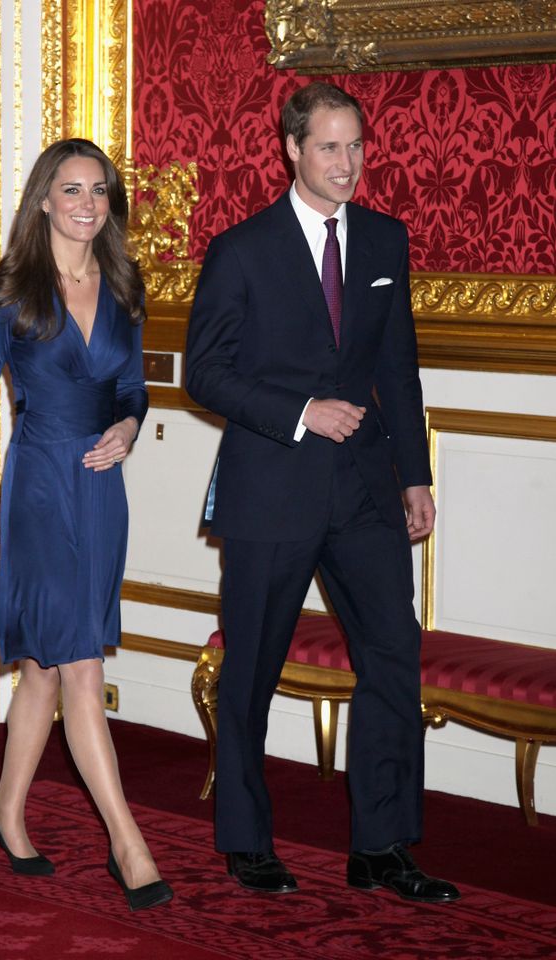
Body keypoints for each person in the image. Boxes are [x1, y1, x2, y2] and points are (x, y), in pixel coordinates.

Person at [185, 83, 460, 904]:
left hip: (366, 490)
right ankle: (246, 841)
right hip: (271, 486)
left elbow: (397, 368)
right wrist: (299, 412)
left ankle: (381, 845)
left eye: (356, 146)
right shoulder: (241, 250)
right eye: (329, 148)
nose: (347, 163)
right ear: (292, 150)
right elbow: (204, 373)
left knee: (392, 654)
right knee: (252, 669)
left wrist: (415, 474)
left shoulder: (383, 239)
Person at [0, 137, 173, 912]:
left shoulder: (121, 283)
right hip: (41, 490)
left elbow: (131, 387)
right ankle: (128, 844)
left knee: (45, 669)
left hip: (101, 490)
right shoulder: (10, 292)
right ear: (44, 201)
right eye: (72, 189)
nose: (87, 203)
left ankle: (5, 812)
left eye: (98, 190)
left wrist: (127, 426)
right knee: (81, 664)